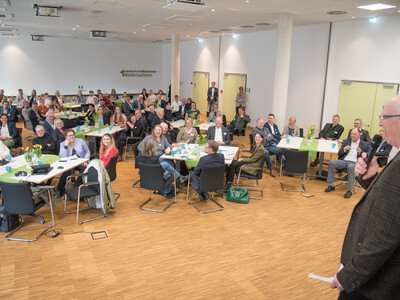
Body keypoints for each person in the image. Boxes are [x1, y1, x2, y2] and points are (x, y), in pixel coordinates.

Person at [330, 95, 400, 300]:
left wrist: (349, 277)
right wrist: (371, 180)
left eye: (383, 116)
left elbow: (384, 236)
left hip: (374, 287)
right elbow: (391, 205)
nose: (379, 122)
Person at [325, 128, 370, 198]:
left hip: (355, 163)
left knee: (351, 167)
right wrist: (344, 149)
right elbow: (339, 154)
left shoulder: (365, 144)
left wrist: (360, 152)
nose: (352, 136)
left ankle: (349, 190)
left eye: (355, 134)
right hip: (345, 161)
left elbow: (367, 158)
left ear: (359, 135)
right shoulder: (347, 142)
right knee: (332, 162)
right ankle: (332, 185)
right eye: (352, 134)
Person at [55, 129, 90, 198]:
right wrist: (65, 146)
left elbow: (87, 151)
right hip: (70, 163)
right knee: (67, 172)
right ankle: (59, 189)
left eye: (72, 135)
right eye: (69, 136)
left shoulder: (80, 141)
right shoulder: (62, 144)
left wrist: (85, 160)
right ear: (65, 136)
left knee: (84, 169)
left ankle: (76, 186)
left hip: (81, 161)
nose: (71, 137)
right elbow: (62, 157)